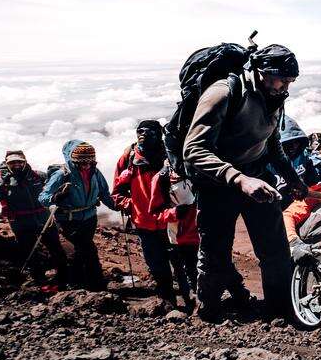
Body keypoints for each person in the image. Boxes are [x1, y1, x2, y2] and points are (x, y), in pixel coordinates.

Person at [182, 43, 306, 322]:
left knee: (275, 251)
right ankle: (208, 314)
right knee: (215, 253)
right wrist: (238, 178)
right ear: (262, 71)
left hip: (258, 178)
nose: (287, 87)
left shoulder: (275, 95)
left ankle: (281, 312)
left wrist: (292, 177)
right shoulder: (224, 93)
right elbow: (193, 150)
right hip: (218, 185)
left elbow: (271, 143)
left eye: (291, 82)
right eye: (283, 80)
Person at [0, 151, 69, 286]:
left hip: (44, 220)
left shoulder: (38, 176)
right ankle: (40, 282)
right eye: (12, 163)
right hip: (21, 223)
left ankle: (64, 277)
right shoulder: (2, 183)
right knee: (30, 252)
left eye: (19, 162)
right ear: (7, 164)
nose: (17, 165)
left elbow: (54, 187)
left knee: (56, 248)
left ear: (25, 162)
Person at [113, 120, 181, 305]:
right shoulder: (129, 158)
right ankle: (167, 300)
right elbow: (117, 192)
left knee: (180, 262)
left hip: (172, 221)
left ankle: (191, 300)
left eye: (149, 132)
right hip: (144, 223)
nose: (143, 135)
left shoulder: (171, 155)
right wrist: (133, 206)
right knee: (157, 265)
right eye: (140, 131)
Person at [39, 141, 120, 291]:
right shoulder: (61, 175)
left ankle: (77, 281)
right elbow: (43, 197)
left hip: (90, 218)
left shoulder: (95, 172)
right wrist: (56, 197)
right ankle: (96, 284)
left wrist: (117, 206)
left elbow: (103, 193)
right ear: (73, 160)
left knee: (81, 249)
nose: (86, 165)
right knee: (88, 249)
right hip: (68, 220)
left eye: (90, 161)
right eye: (82, 162)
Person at [150, 168, 198, 309]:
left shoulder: (195, 166)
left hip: (203, 231)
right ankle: (194, 306)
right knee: (188, 273)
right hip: (182, 236)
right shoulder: (162, 178)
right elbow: (155, 211)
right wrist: (174, 213)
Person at [273, 116, 321, 206]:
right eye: (287, 144)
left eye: (296, 142)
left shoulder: (303, 155)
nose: (293, 147)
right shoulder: (265, 164)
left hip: (300, 205)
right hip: (278, 209)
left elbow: (313, 181)